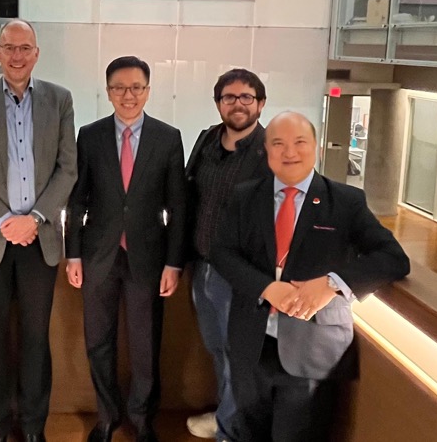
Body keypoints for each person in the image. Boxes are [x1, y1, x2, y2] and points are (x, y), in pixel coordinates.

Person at [211, 111, 410, 442]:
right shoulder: (246, 195)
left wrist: (333, 283)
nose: (290, 152)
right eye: (279, 144)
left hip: (312, 349)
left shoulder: (345, 201)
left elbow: (393, 259)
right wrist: (266, 287)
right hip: (251, 342)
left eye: (299, 142)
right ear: (267, 151)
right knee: (247, 433)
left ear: (316, 148)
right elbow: (222, 253)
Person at [0, 19, 78, 442]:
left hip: (40, 240)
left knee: (34, 340)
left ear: (37, 53)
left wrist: (37, 218)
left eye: (25, 47)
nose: (18, 55)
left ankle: (33, 427)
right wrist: (6, 220)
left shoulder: (60, 100)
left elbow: (67, 169)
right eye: (10, 47)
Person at [65, 56, 187, 442]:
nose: (128, 95)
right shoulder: (90, 135)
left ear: (148, 91)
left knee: (145, 345)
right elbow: (78, 200)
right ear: (108, 92)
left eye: (136, 87)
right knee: (98, 342)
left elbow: (178, 206)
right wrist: (73, 254)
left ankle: (142, 419)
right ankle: (107, 417)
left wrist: (174, 263)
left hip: (148, 257)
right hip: (98, 255)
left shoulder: (169, 137)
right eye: (119, 87)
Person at [184, 69, 270, 441]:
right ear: (218, 103)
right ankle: (227, 415)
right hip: (202, 267)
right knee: (217, 348)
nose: (237, 104)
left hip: (242, 275)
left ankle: (232, 431)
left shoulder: (273, 150)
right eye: (229, 98)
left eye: (246, 97)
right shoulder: (207, 141)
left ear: (260, 104)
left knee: (241, 356)